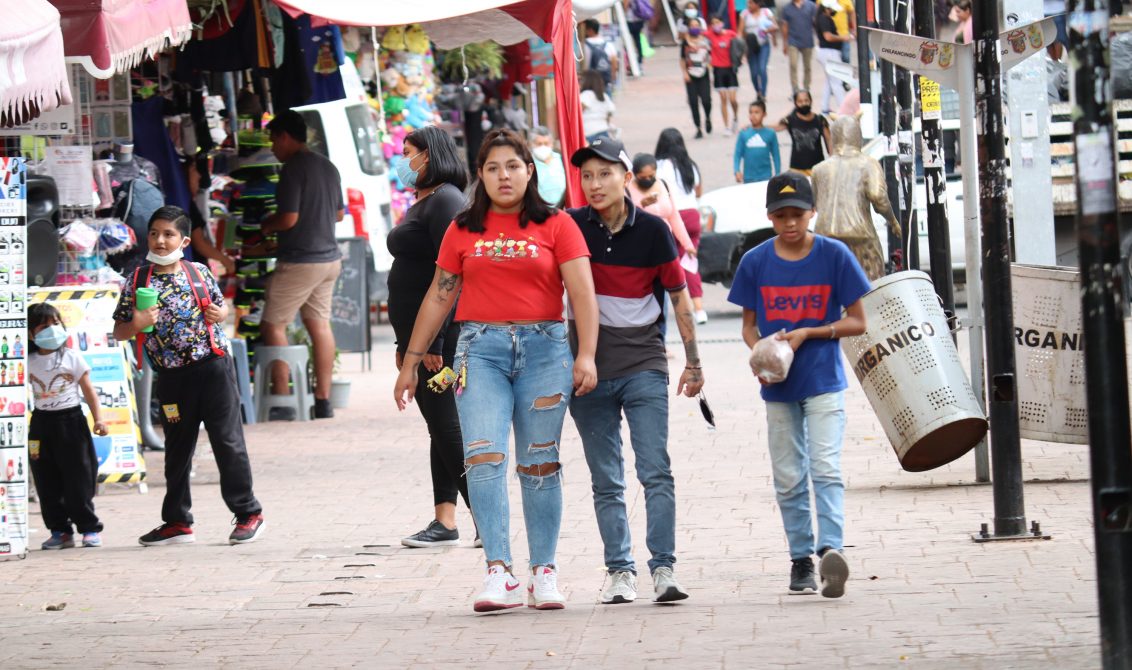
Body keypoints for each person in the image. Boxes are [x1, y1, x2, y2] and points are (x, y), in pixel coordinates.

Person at [393, 129, 600, 613]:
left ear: (530, 171)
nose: (503, 176)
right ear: (479, 176)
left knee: (539, 462)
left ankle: (544, 571)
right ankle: (499, 572)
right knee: (483, 458)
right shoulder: (463, 228)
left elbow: (583, 295)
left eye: (512, 166)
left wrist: (585, 354)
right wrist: (409, 363)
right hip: (478, 351)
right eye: (492, 168)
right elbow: (439, 295)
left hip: (545, 351)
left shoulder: (557, 224)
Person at [567, 139, 704, 605]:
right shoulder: (569, 227)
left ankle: (663, 568)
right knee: (606, 478)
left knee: (655, 470)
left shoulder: (653, 231)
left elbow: (679, 296)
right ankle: (619, 571)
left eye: (604, 174)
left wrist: (694, 361)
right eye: (587, 176)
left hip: (643, 361)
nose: (594, 184)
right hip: (586, 371)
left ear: (626, 178)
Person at [726, 172, 869, 599]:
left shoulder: (834, 255)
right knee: (788, 476)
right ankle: (800, 559)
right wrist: (762, 351)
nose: (790, 223)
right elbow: (748, 327)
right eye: (781, 215)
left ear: (812, 213)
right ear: (769, 217)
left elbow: (858, 320)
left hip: (823, 379)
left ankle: (831, 550)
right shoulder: (755, 262)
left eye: (798, 214)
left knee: (825, 467)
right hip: (777, 383)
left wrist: (810, 332)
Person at [113, 206, 265, 547]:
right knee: (177, 449)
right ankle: (178, 521)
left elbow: (220, 307)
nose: (161, 240)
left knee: (227, 442)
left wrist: (221, 311)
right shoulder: (137, 281)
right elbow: (120, 331)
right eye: (155, 233)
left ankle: (248, 513)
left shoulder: (198, 272)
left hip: (212, 368)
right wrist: (135, 324)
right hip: (171, 377)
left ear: (183, 240)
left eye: (168, 234)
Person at [387, 126, 473, 548]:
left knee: (446, 426)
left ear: (429, 155)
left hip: (443, 345)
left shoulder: (447, 201)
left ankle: (486, 514)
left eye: (409, 154)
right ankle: (445, 520)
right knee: (438, 427)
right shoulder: (426, 200)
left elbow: (452, 276)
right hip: (421, 343)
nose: (404, 162)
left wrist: (435, 346)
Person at [260, 109, 343, 419]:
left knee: (273, 325)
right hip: (329, 259)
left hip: (300, 262)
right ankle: (323, 400)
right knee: (319, 325)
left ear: (284, 136)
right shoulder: (328, 166)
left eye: (272, 140)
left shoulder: (293, 168)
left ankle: (282, 399)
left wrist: (267, 226)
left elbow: (289, 218)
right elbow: (338, 215)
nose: (272, 148)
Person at [27, 303, 108, 550]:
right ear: (31, 334)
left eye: (55, 324)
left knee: (78, 479)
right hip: (41, 425)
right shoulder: (27, 362)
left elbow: (89, 391)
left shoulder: (72, 357)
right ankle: (60, 530)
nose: (51, 330)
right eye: (43, 326)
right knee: (46, 480)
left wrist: (99, 419)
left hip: (71, 422)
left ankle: (89, 528)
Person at [654, 128, 708, 324]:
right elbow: (698, 190)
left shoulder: (659, 167)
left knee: (673, 264)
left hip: (673, 216)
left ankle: (682, 309)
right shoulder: (689, 165)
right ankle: (699, 309)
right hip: (693, 215)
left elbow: (657, 192)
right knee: (690, 262)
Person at [628, 153, 696, 259]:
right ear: (635, 175)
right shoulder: (627, 190)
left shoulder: (663, 185)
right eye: (643, 177)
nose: (648, 180)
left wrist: (687, 244)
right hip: (642, 247)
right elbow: (624, 218)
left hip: (667, 244)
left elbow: (674, 217)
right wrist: (641, 205)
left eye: (651, 176)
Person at [185, 157, 236, 275]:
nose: (199, 176)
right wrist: (225, 260)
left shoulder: (187, 203)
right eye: (194, 170)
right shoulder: (188, 206)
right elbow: (199, 244)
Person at [775, 90, 831, 175]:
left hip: (818, 170)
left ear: (811, 101)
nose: (804, 103)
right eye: (800, 101)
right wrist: (754, 126)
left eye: (806, 100)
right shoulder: (790, 120)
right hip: (796, 170)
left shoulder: (820, 120)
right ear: (795, 103)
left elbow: (829, 141)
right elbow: (776, 128)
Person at [707, 15, 741, 136]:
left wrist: (740, 58)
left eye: (717, 22)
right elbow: (698, 32)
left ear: (722, 22)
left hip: (730, 69)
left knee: (732, 99)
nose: (715, 25)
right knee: (723, 98)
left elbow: (740, 45)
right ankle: (726, 126)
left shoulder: (730, 34)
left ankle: (735, 117)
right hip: (718, 69)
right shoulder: (710, 35)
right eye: (713, 23)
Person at [679, 17, 713, 139]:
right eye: (692, 25)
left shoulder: (705, 41)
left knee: (706, 100)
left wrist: (710, 69)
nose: (694, 27)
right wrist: (685, 73)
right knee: (693, 102)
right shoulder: (685, 42)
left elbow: (711, 56)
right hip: (691, 75)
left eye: (696, 25)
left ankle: (708, 118)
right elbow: (682, 59)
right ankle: (698, 127)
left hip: (704, 73)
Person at [815, 0, 852, 114]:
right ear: (827, 8)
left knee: (829, 81)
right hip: (829, 52)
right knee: (836, 81)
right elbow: (828, 37)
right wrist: (843, 38)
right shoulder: (824, 19)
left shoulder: (824, 18)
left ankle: (824, 107)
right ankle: (843, 108)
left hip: (829, 52)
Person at [734, 99, 781, 183]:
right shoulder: (744, 133)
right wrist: (737, 170)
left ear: (764, 114)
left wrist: (778, 173)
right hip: (748, 177)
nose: (753, 115)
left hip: (766, 177)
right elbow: (737, 154)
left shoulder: (771, 133)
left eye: (756, 112)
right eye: (751, 112)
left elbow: (776, 155)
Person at [739, 0, 778, 99]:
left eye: (751, 3)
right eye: (748, 3)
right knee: (754, 72)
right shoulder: (744, 14)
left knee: (762, 69)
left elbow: (775, 26)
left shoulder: (766, 12)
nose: (749, 5)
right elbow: (740, 31)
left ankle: (763, 93)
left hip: (763, 44)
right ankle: (758, 90)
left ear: (757, 4)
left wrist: (768, 31)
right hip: (751, 46)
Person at [780, 0, 818, 95]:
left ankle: (806, 88)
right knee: (793, 65)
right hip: (793, 41)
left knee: (807, 66)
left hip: (807, 40)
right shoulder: (786, 8)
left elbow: (816, 22)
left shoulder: (810, 6)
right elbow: (785, 26)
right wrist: (784, 43)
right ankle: (795, 89)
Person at [529, 127, 567, 206]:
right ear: (530, 144)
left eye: (546, 143)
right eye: (539, 144)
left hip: (564, 209)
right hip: (540, 211)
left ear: (552, 144)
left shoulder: (562, 159)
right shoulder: (528, 164)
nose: (543, 147)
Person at [581, 19, 619, 92]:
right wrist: (612, 79)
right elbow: (614, 62)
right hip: (605, 81)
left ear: (590, 30)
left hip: (589, 83)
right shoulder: (608, 44)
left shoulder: (583, 46)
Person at [580, 70, 617, 144]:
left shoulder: (586, 95)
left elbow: (578, 113)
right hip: (604, 132)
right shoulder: (604, 96)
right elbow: (609, 115)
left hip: (589, 133)